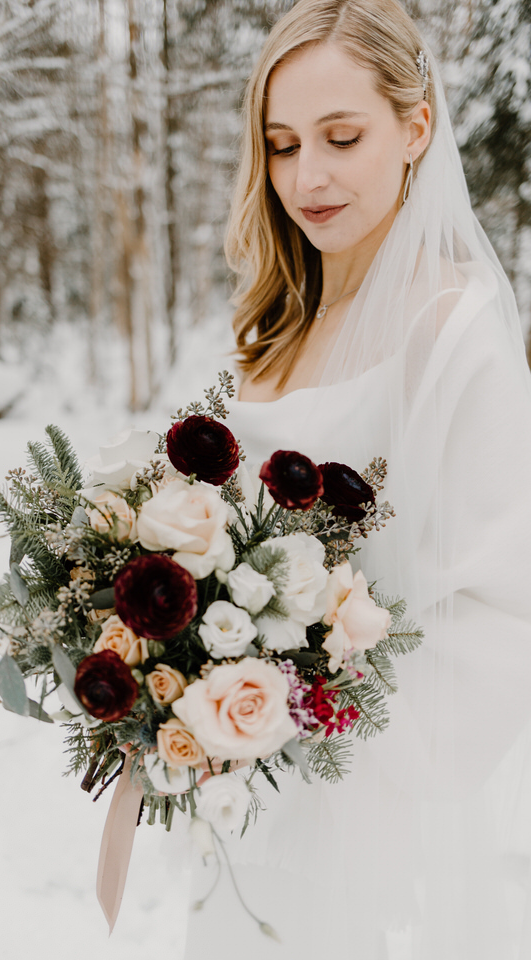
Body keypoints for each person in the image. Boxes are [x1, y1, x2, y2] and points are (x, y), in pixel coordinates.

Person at [181, 1, 531, 958]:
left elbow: (503, 607)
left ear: (416, 127)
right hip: (237, 803)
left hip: (362, 812)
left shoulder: (452, 330)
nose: (308, 177)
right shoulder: (275, 335)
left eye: (342, 137)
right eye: (282, 144)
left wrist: (322, 724)